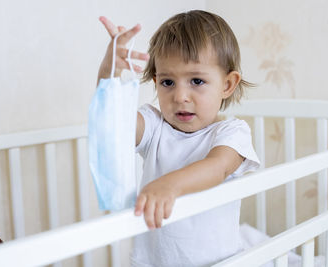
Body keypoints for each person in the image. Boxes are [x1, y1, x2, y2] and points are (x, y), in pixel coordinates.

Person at [97, 10, 260, 267]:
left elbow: (216, 168)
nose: (180, 96)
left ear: (227, 85)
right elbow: (113, 125)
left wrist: (170, 185)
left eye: (197, 80)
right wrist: (109, 73)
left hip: (218, 262)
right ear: (155, 82)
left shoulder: (231, 133)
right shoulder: (153, 126)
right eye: (168, 82)